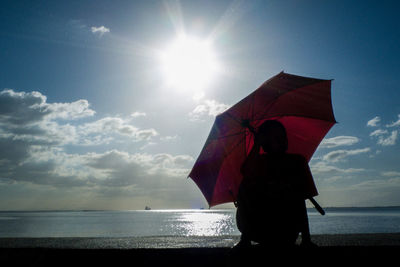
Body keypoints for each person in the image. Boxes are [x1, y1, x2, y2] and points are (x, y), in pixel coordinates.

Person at [235, 120, 317, 248]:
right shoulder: (258, 162)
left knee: (295, 192)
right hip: (258, 228)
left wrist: (306, 238)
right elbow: (246, 172)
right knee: (245, 184)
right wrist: (257, 144)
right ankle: (245, 239)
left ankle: (246, 239)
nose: (282, 140)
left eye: (282, 136)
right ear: (265, 141)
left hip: (287, 229)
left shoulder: (297, 161)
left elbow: (301, 200)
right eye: (275, 137)